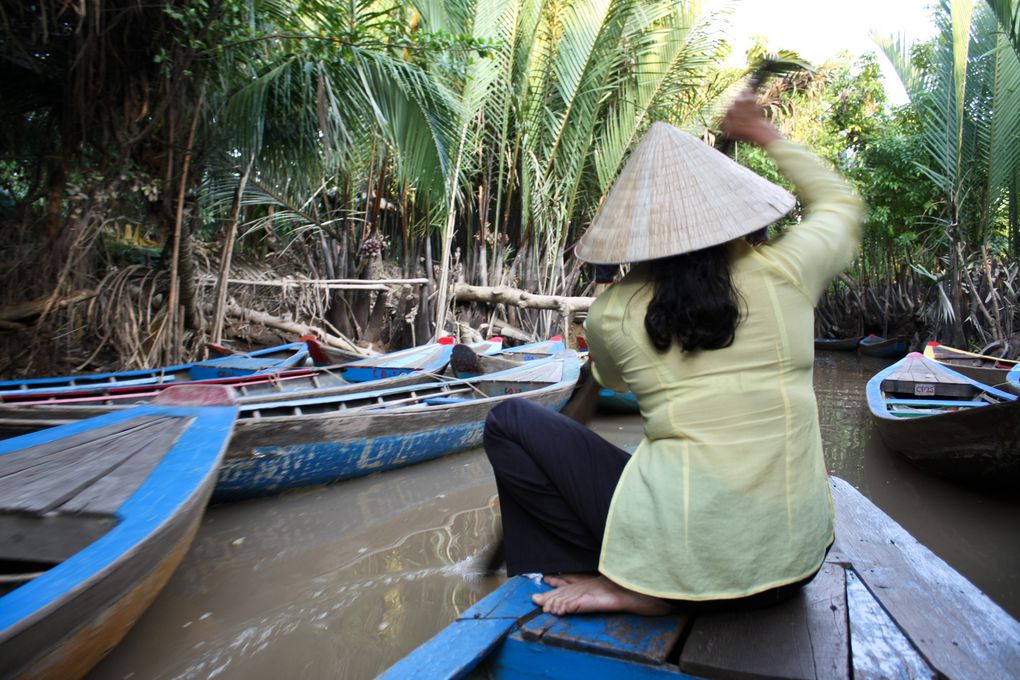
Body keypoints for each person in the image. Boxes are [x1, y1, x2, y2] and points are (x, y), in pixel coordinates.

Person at [483, 93, 865, 616]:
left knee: (508, 420)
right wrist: (763, 133)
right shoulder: (790, 271)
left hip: (683, 568)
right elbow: (842, 205)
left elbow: (612, 381)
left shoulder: (613, 312)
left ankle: (627, 583)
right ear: (737, 214)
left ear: (638, 236)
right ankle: (625, 577)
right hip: (794, 564)